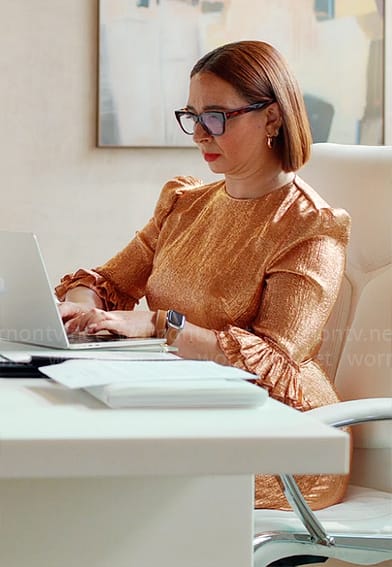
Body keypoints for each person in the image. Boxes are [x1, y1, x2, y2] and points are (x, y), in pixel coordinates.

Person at [56, 40, 351, 510]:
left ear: (272, 118)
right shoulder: (184, 202)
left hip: (281, 441)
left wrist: (157, 326)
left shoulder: (313, 227)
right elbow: (107, 282)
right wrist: (82, 305)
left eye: (216, 117)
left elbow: (272, 363)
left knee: (105, 478)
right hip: (183, 407)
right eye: (192, 116)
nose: (198, 134)